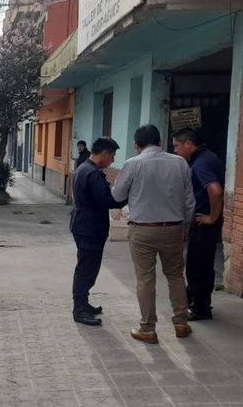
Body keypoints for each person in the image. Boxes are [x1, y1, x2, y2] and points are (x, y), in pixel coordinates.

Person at [112, 124, 194, 344]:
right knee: (176, 275)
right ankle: (181, 324)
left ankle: (148, 329)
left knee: (145, 279)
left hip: (143, 230)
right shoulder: (180, 163)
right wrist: (184, 227)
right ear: (160, 141)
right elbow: (189, 202)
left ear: (137, 145)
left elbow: (118, 194)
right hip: (174, 227)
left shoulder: (132, 164)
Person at [70, 137, 126, 326]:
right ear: (104, 153)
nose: (112, 161)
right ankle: (79, 310)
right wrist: (127, 196)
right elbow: (107, 201)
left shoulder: (84, 168)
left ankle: (83, 304)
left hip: (84, 226)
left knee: (87, 268)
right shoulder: (92, 174)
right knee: (86, 270)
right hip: (89, 228)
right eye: (112, 156)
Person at [172, 127, 225, 321]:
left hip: (204, 221)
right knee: (202, 264)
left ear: (189, 144)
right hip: (204, 219)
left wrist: (211, 217)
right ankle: (194, 300)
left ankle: (200, 308)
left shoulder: (202, 163)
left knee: (197, 266)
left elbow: (216, 190)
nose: (176, 151)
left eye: (177, 146)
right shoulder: (207, 157)